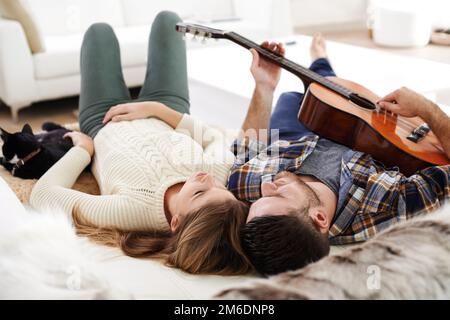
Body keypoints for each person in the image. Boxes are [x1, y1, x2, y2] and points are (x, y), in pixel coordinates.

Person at [29, 11, 252, 275]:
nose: (206, 179)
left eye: (199, 192)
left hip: (103, 119)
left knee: (98, 32)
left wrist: (83, 150)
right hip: (165, 108)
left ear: (176, 222)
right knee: (169, 21)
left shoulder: (129, 211)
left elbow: (42, 195)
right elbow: (213, 137)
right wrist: (157, 110)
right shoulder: (216, 175)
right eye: (219, 188)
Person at [228, 34, 450, 275]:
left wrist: (264, 86)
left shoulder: (247, 187)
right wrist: (427, 109)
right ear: (320, 218)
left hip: (293, 140)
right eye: (278, 196)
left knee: (293, 97)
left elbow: (246, 150)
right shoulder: (386, 205)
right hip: (364, 139)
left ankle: (320, 67)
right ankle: (321, 61)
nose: (267, 187)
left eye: (257, 200)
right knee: (334, 99)